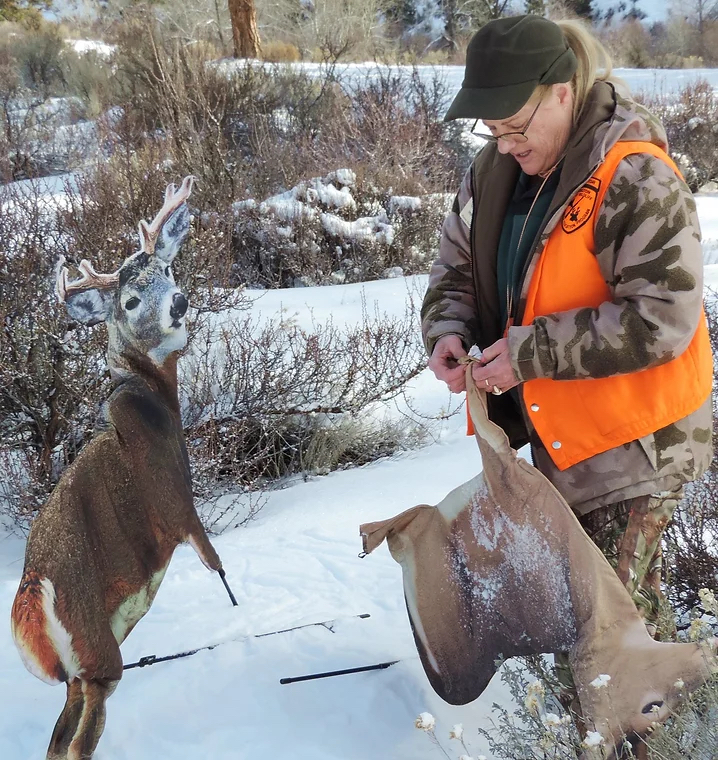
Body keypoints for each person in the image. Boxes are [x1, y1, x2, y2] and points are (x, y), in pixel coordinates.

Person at [421, 13, 713, 736]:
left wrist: (528, 353)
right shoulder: (494, 172)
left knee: (606, 648)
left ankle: (643, 746)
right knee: (586, 629)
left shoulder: (635, 172)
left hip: (637, 444)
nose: (507, 143)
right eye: (492, 130)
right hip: (559, 443)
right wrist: (450, 331)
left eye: (517, 125)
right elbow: (454, 269)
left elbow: (663, 319)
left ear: (562, 92)